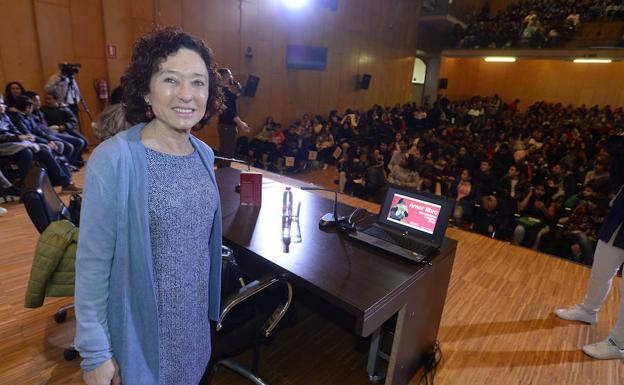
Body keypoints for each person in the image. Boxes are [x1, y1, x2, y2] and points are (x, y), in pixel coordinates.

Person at [75, 27, 224, 385]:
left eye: (198, 83)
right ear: (145, 88)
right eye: (171, 79)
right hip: (140, 338)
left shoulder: (204, 154)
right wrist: (95, 351)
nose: (186, 94)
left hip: (193, 331)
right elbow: (93, 264)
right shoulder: (114, 159)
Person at [554, 133, 624, 360]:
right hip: (619, 220)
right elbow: (616, 177)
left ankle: (618, 343)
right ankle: (588, 310)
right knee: (601, 270)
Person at [216, 67, 249, 167]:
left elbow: (235, 97)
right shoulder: (225, 93)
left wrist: (238, 87)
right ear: (226, 77)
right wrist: (241, 124)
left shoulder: (223, 91)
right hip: (228, 126)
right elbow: (230, 112)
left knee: (224, 152)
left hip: (223, 125)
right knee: (227, 154)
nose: (232, 77)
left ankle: (221, 175)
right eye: (230, 75)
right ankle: (224, 176)